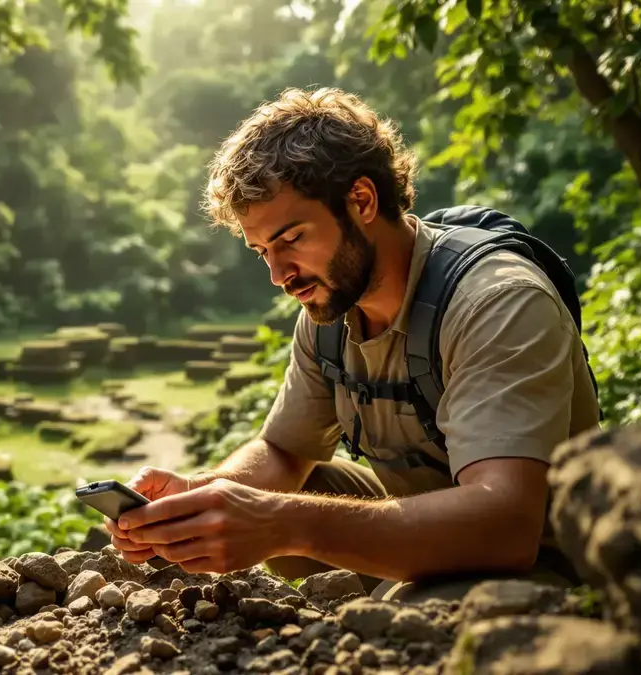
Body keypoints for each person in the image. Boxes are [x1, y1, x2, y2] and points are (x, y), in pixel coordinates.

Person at [104, 87, 602, 603]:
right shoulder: (330, 308)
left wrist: (284, 523)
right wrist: (201, 495)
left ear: (361, 200)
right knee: (283, 495)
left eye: (291, 238)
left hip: (546, 553)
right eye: (262, 251)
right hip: (434, 516)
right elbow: (282, 450)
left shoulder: (496, 301)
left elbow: (505, 526)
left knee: (395, 602)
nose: (277, 274)